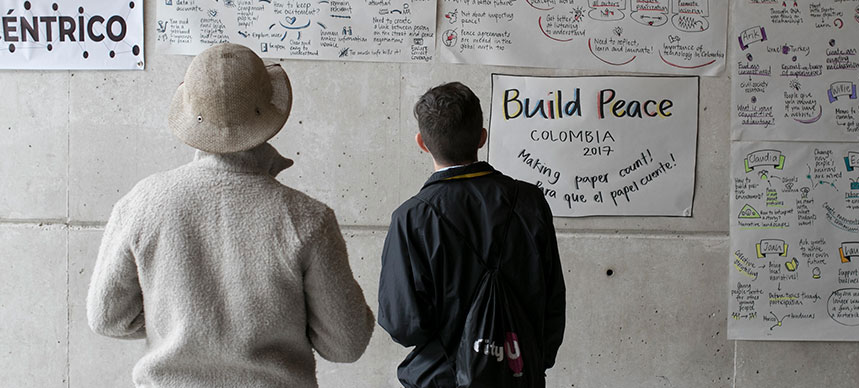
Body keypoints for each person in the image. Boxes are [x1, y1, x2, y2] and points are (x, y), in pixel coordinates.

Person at [87, 43, 374, 387]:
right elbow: (346, 344)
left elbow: (107, 318)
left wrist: (179, 322)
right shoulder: (306, 219)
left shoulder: (143, 204)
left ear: (189, 109)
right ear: (271, 110)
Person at [378, 81, 565, 388]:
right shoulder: (531, 203)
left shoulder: (412, 218)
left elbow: (403, 325)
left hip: (442, 379)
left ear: (421, 142)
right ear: (482, 138)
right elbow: (552, 303)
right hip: (519, 374)